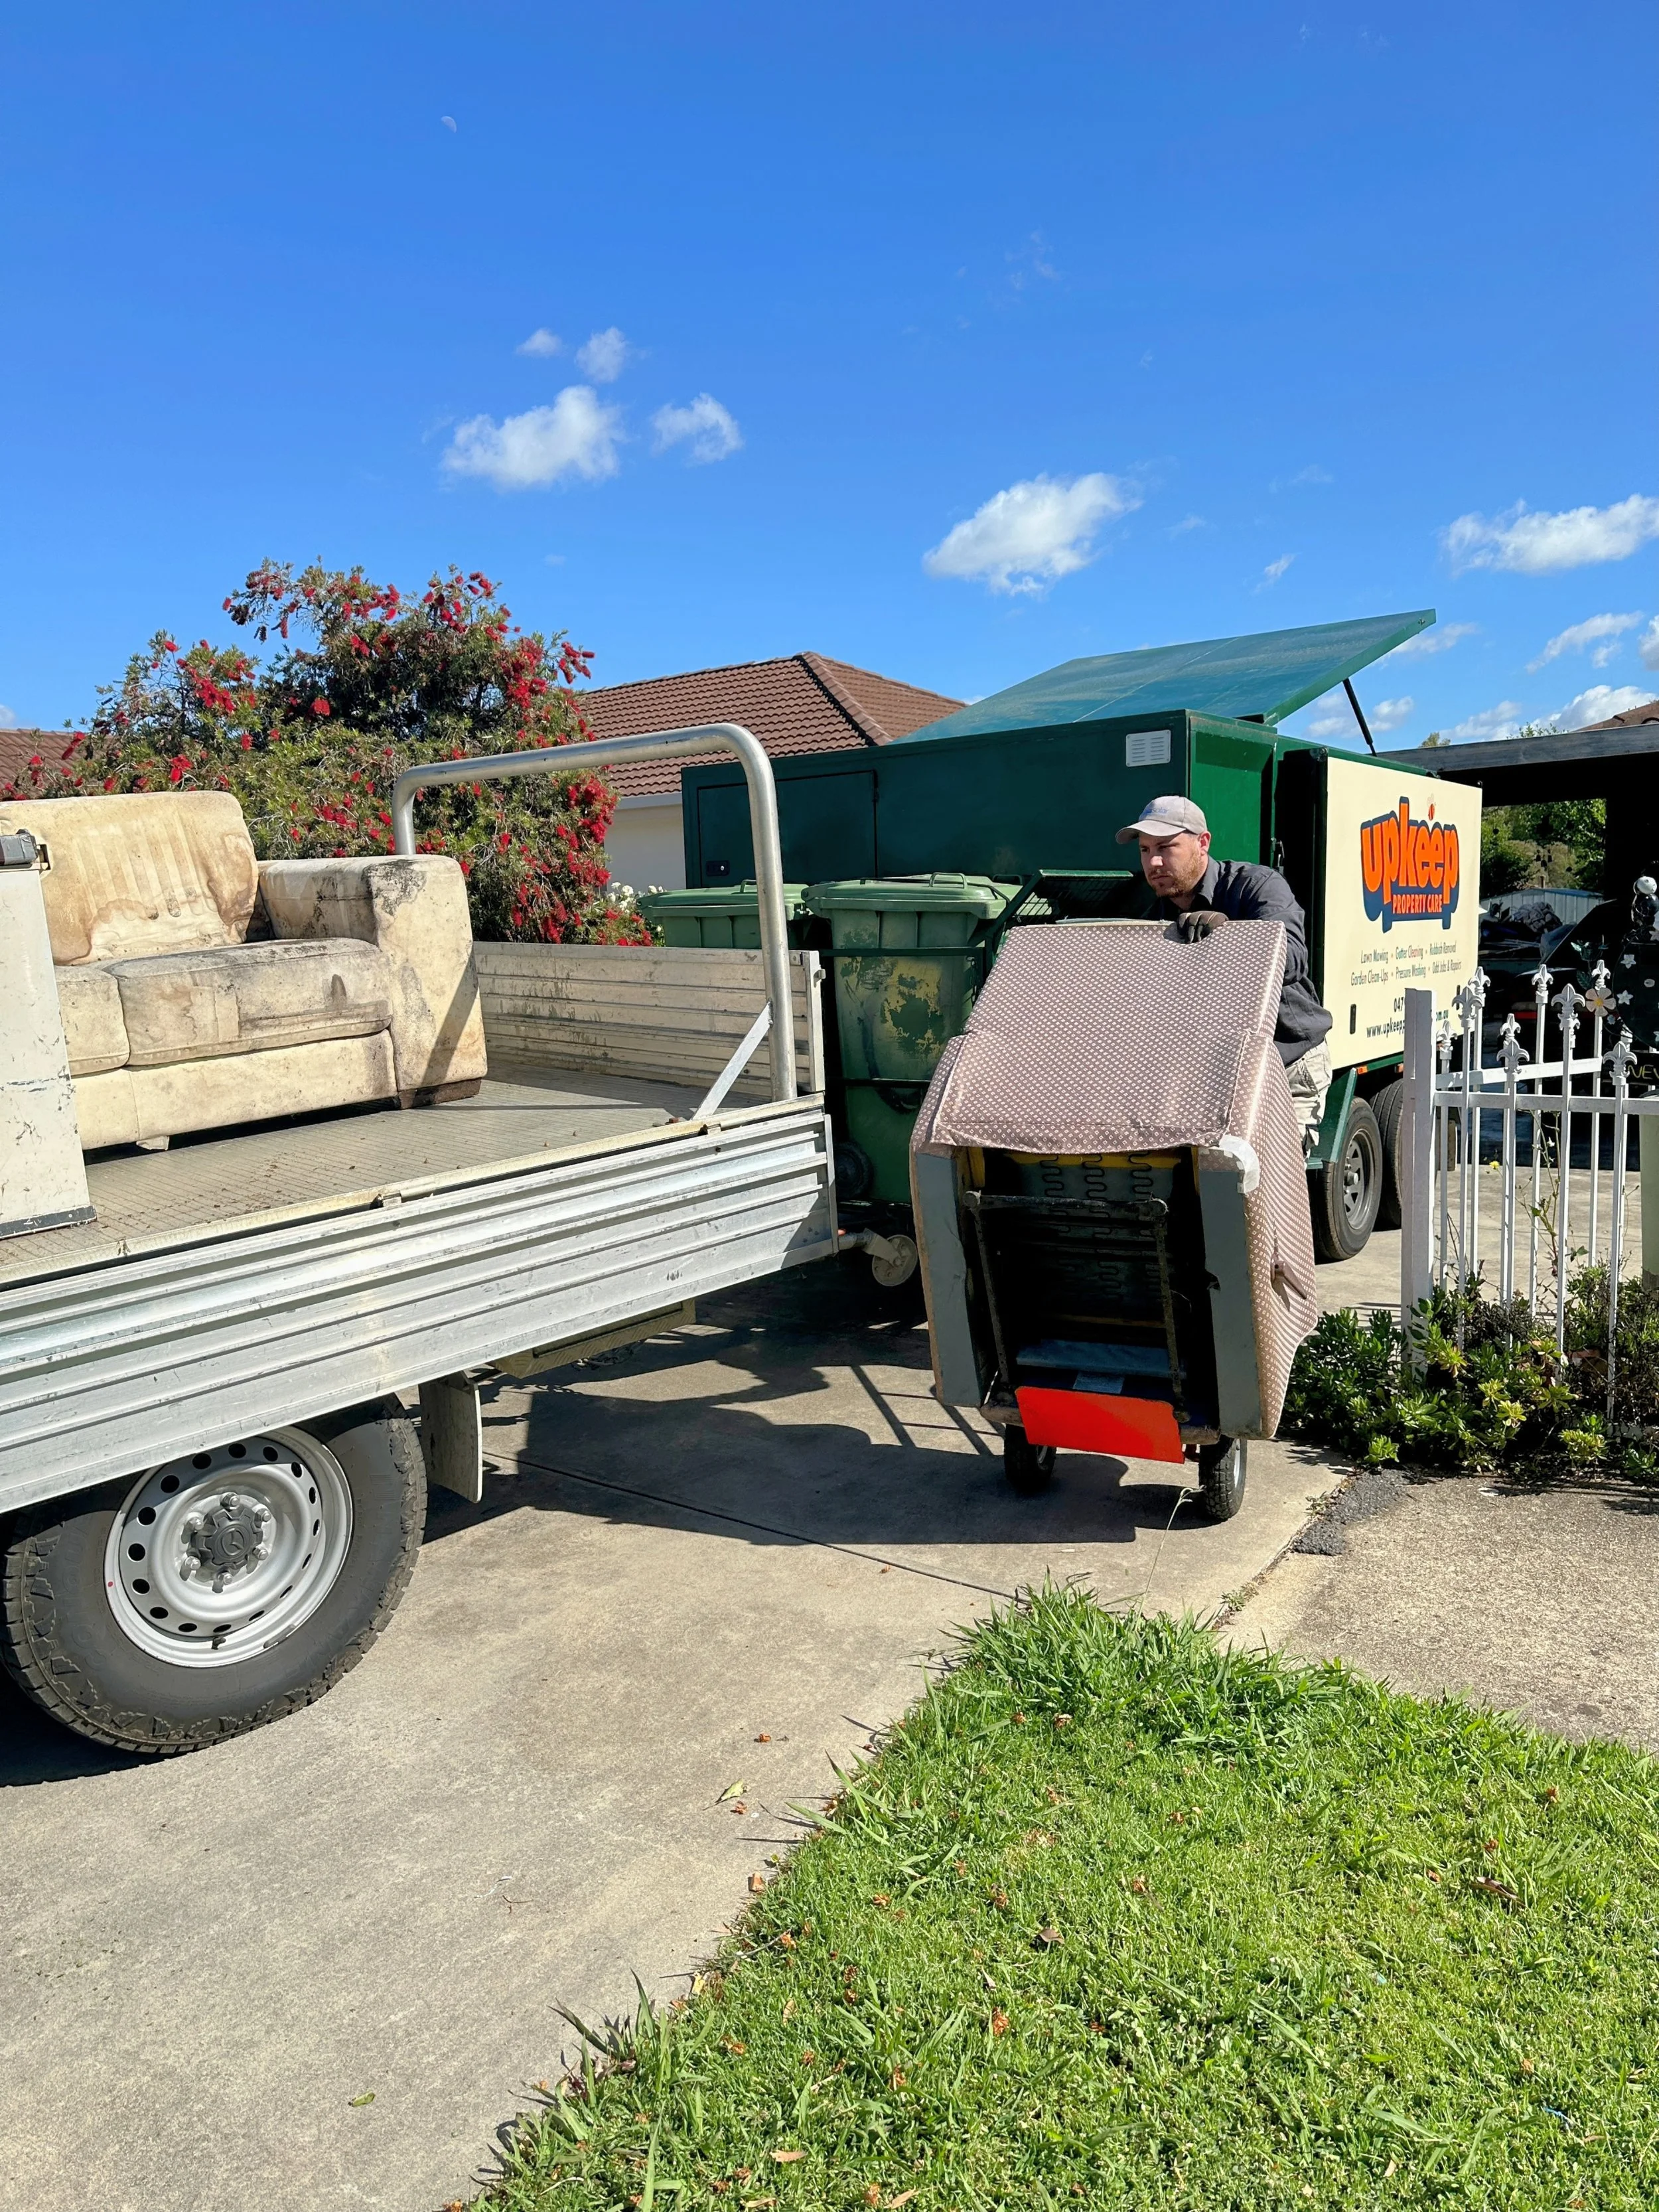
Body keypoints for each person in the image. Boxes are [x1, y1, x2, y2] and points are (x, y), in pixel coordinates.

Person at [1116, 794, 1333, 1148]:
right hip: (1209, 1071)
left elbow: (1292, 958)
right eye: (1144, 850)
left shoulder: (1257, 886)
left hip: (1285, 1060)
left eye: (1166, 847)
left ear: (1202, 843)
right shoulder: (1150, 918)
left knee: (1265, 1174)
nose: (1153, 862)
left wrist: (1230, 937)